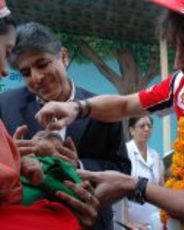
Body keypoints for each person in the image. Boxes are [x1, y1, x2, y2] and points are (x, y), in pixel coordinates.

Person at [36, 0, 184, 229]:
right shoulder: (182, 86)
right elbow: (126, 105)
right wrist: (77, 108)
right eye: (176, 47)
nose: (179, 63)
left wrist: (134, 186)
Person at [0, 21, 130, 230]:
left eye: (42, 64)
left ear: (63, 56)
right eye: (26, 72)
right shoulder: (5, 105)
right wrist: (14, 156)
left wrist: (78, 166)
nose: (37, 78)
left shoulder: (102, 108)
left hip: (91, 222)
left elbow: (123, 169)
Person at [126, 115, 164, 229]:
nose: (147, 129)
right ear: (132, 130)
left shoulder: (155, 156)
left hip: (154, 221)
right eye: (142, 126)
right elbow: (119, 191)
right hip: (131, 223)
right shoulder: (125, 152)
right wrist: (127, 222)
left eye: (149, 126)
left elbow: (161, 187)